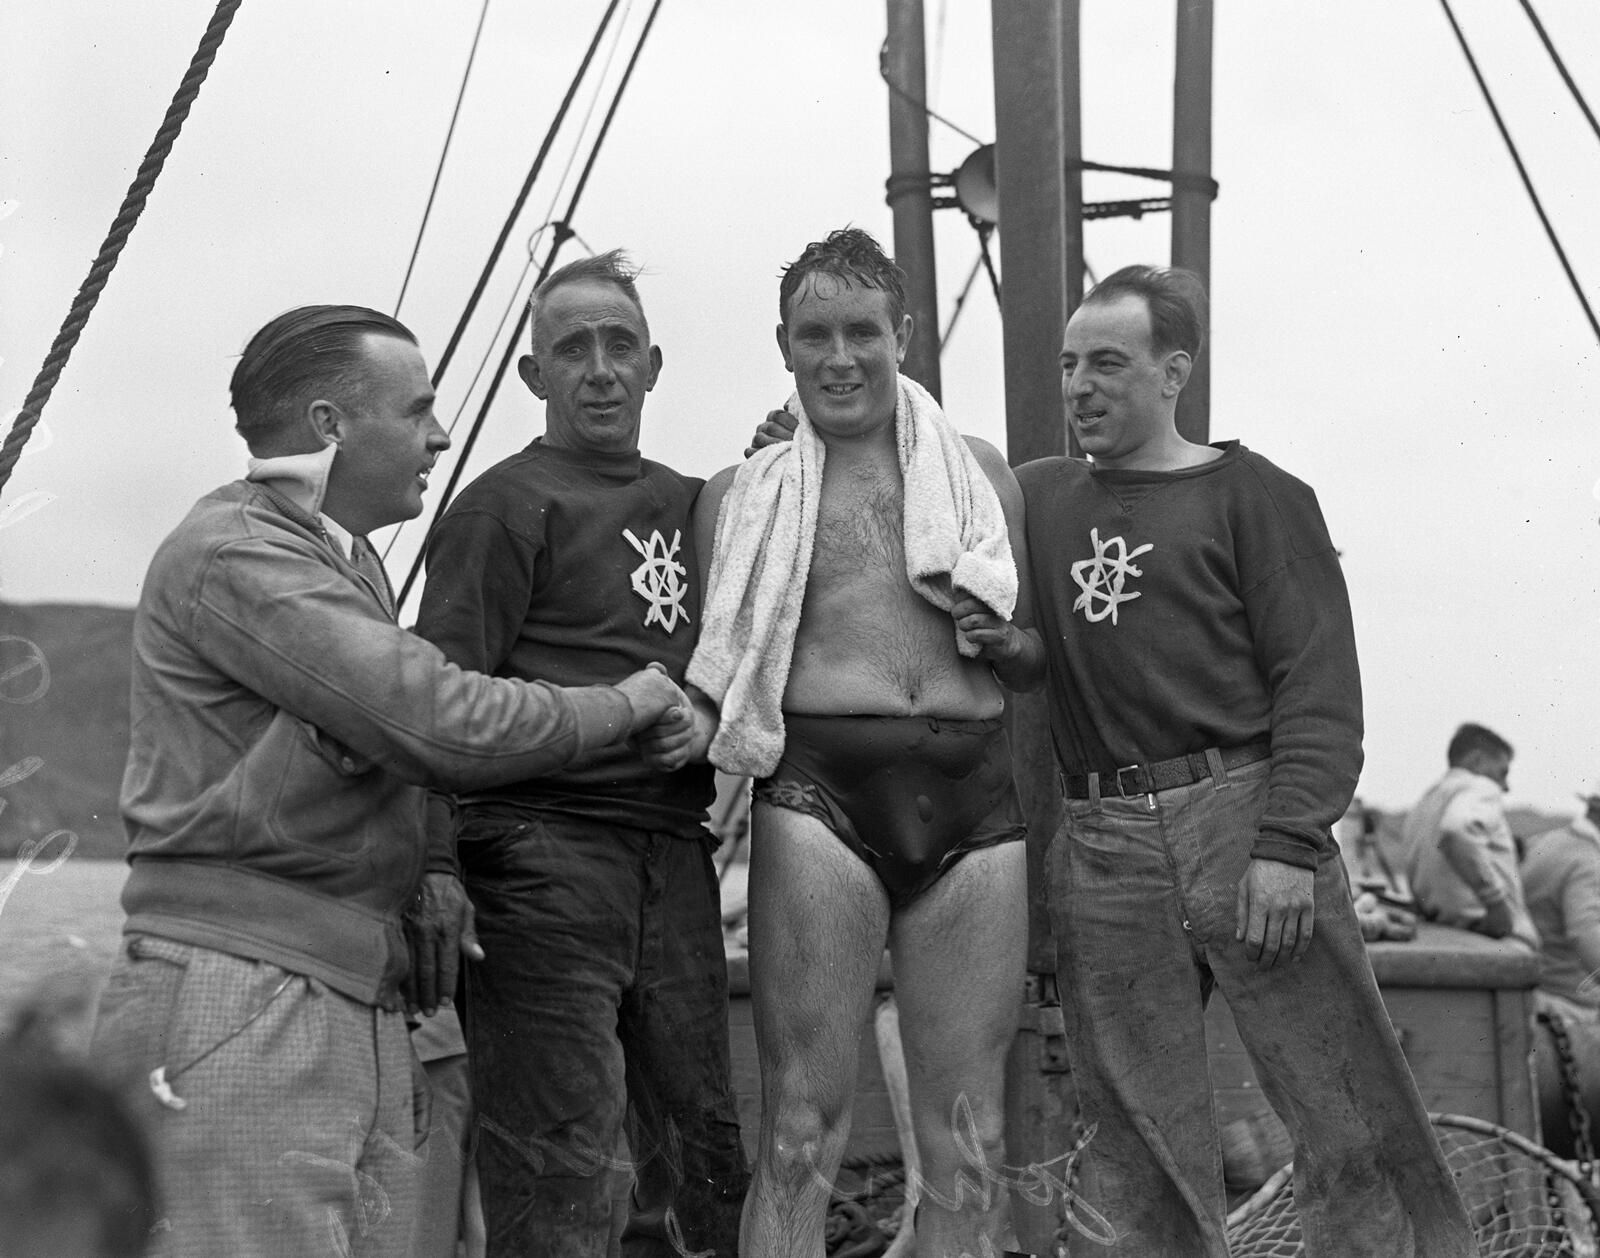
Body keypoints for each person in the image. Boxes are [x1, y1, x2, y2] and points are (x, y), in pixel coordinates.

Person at [90, 305, 693, 1258]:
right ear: (330, 426)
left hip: (341, 992)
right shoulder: (239, 553)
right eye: (417, 411)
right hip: (241, 994)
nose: (440, 436)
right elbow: (435, 720)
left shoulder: (345, 560)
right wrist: (625, 703)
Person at [1014, 266, 1474, 1255]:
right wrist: (799, 448)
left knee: (1347, 1117)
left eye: (1108, 363)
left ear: (1173, 372)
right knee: (1133, 1151)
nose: (1080, 386)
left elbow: (1318, 684)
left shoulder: (1259, 495)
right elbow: (934, 493)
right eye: (1068, 365)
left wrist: (1287, 843)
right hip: (1102, 843)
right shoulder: (1039, 499)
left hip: (1243, 818)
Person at [690, 227, 1043, 1258]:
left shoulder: (982, 477)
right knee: (800, 1129)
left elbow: (1029, 662)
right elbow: (724, 665)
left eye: (861, 333)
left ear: (903, 335)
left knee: (969, 1138)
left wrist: (1005, 640)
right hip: (821, 795)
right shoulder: (743, 493)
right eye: (815, 336)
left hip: (972, 793)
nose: (839, 357)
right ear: (784, 346)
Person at [413, 252, 749, 1258]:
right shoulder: (502, 507)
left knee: (704, 1153)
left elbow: (751, 637)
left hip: (675, 854)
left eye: (619, 346)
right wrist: (434, 865)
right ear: (534, 375)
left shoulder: (694, 504)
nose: (600, 371)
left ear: (653, 364)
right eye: (572, 350)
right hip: (539, 858)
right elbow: (432, 706)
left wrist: (706, 714)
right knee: (560, 1165)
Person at [1403, 722, 1538, 948]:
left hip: (1445, 931)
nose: (1505, 786)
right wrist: (1496, 903)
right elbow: (1458, 828)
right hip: (1496, 937)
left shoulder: (1424, 803)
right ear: (1477, 761)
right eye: (1502, 772)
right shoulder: (1480, 787)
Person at [1521, 781, 1600, 1016]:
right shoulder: (1587, 862)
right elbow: (1585, 933)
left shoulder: (1544, 841)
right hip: (1571, 1004)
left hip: (1537, 989)